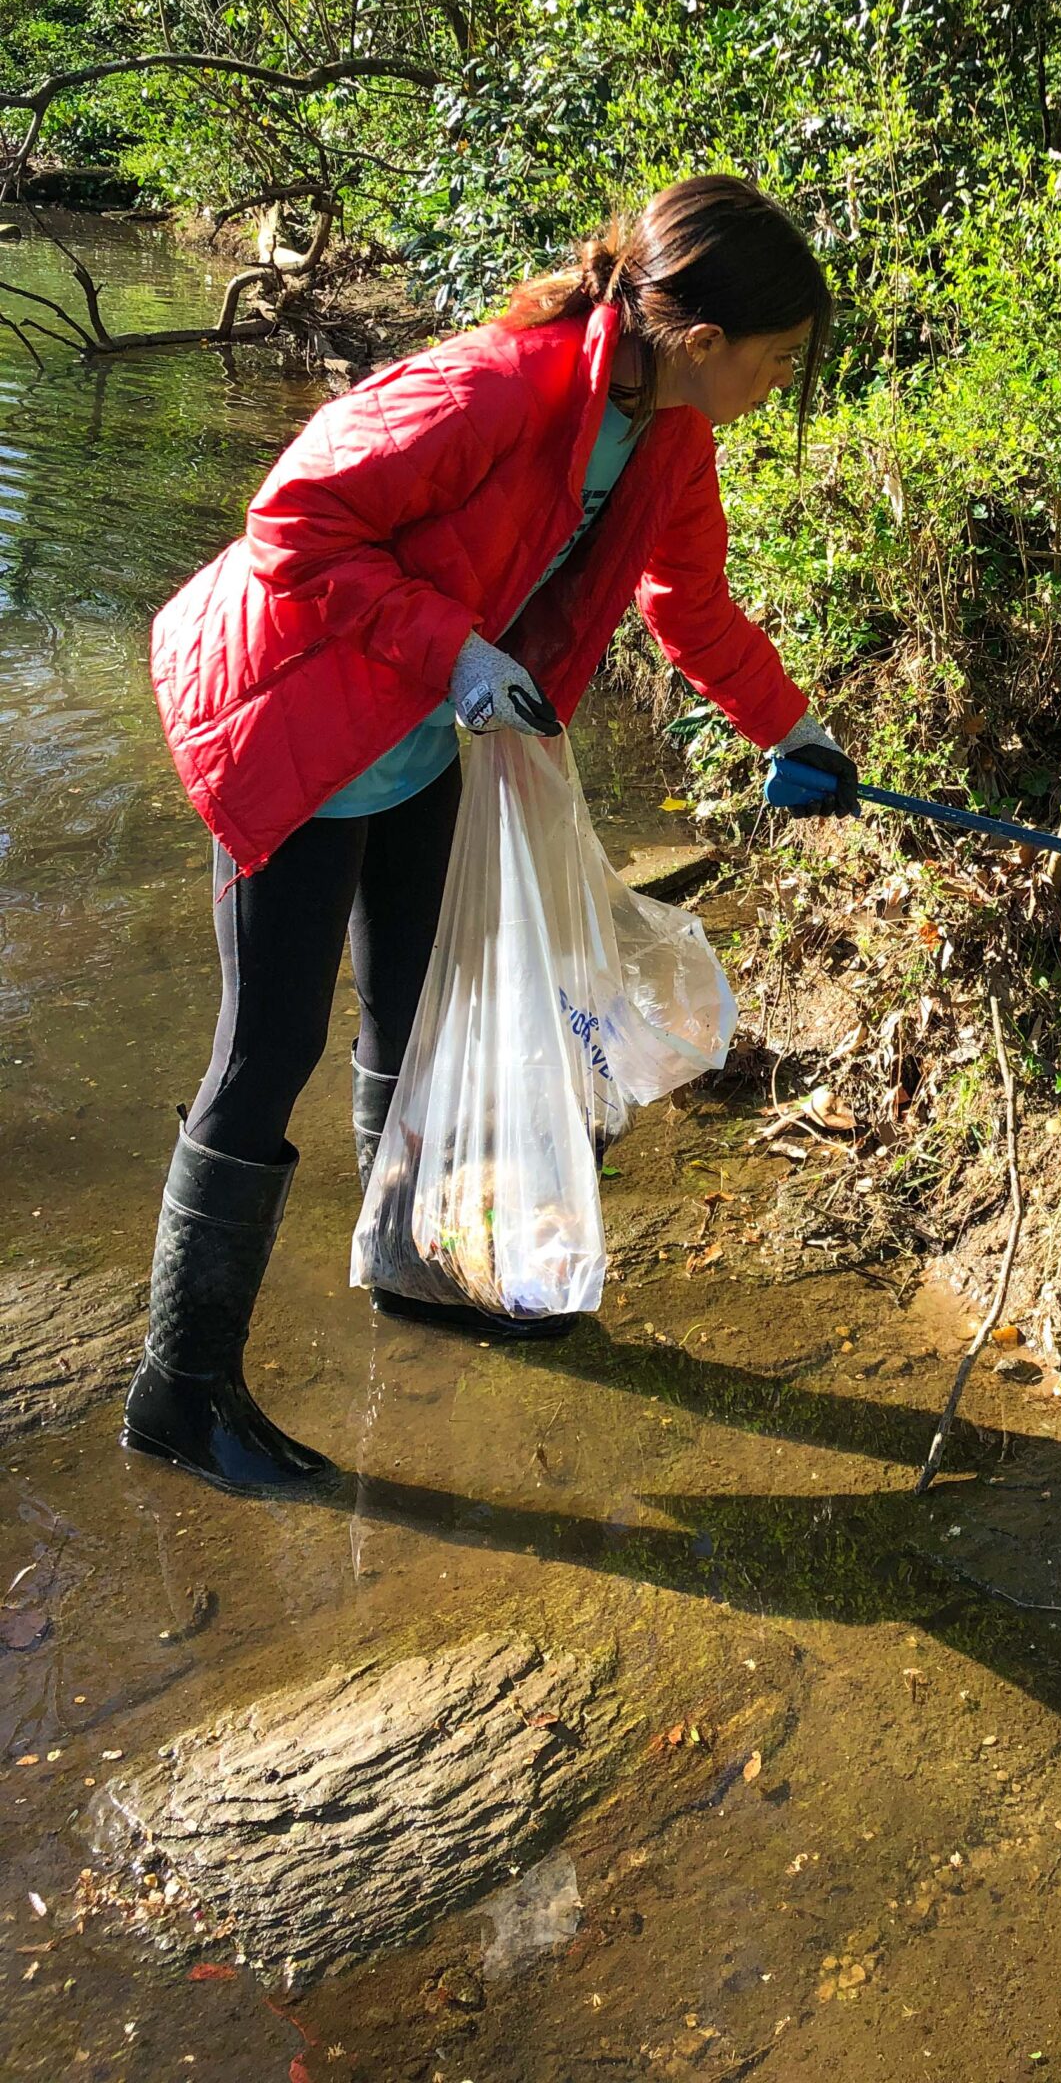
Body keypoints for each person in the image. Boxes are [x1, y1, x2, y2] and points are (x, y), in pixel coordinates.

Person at [132, 174, 858, 1496]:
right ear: (701, 340)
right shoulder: (494, 389)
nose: (785, 381)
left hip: (412, 732)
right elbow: (290, 527)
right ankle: (181, 1392)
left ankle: (413, 1272)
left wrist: (788, 731)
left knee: (422, 1012)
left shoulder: (670, 435)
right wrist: (456, 651)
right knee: (271, 1041)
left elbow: (687, 605)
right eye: (783, 358)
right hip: (288, 721)